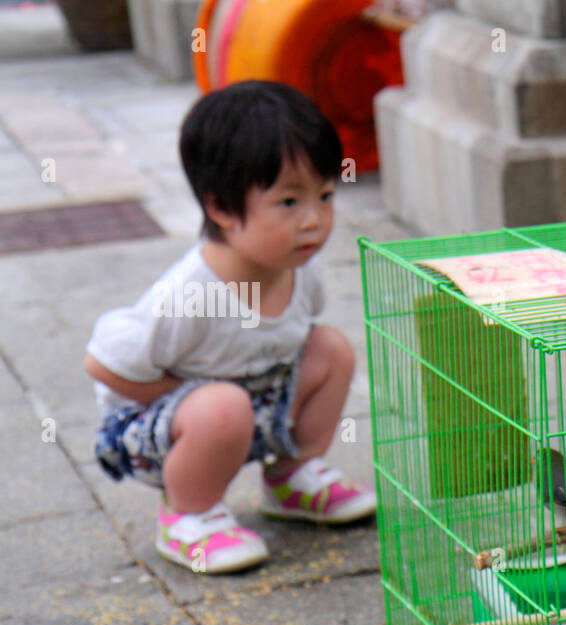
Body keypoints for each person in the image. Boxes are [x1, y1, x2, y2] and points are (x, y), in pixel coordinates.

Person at [85, 80, 375, 574]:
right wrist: (185, 394)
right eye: (289, 202)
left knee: (332, 349)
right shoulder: (190, 294)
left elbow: (298, 344)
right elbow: (104, 363)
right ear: (221, 207)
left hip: (253, 405)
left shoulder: (301, 267)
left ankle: (290, 477)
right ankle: (187, 516)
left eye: (325, 196)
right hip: (156, 432)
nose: (315, 221)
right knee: (222, 406)